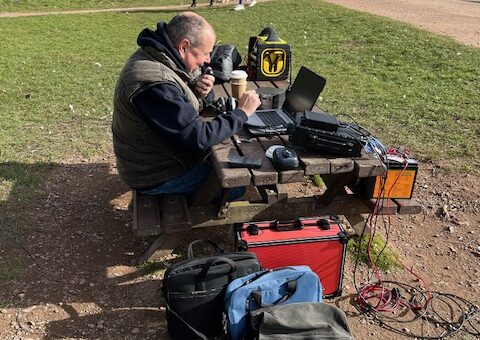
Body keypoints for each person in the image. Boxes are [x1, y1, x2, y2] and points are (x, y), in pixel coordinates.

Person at [112, 12, 260, 201]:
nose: (208, 60)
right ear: (184, 46)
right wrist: (242, 113)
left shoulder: (160, 56)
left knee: (225, 162)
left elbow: (178, 102)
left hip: (156, 160)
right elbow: (198, 137)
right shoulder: (154, 83)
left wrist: (198, 90)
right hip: (155, 176)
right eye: (205, 53)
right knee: (236, 186)